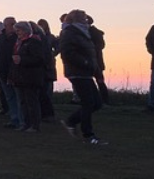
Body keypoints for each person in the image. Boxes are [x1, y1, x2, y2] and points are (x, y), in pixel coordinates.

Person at [59, 9, 107, 145]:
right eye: (83, 18)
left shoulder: (83, 32)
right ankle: (88, 135)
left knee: (96, 103)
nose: (86, 20)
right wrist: (85, 63)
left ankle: (72, 121)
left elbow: (92, 52)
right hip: (77, 72)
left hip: (86, 72)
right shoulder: (70, 33)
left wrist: (94, 69)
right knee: (88, 103)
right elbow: (67, 53)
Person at [12, 21, 49, 132]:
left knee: (31, 102)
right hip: (20, 76)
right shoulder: (20, 42)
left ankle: (34, 125)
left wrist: (22, 60)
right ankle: (26, 124)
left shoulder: (34, 42)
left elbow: (39, 59)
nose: (17, 32)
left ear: (25, 30)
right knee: (23, 102)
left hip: (31, 76)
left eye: (19, 30)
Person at [0, 16, 22, 129]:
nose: (14, 26)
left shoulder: (18, 38)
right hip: (2, 71)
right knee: (9, 96)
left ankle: (21, 120)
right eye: (12, 24)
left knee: (18, 96)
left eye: (14, 24)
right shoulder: (0, 38)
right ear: (5, 26)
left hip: (15, 71)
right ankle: (14, 118)